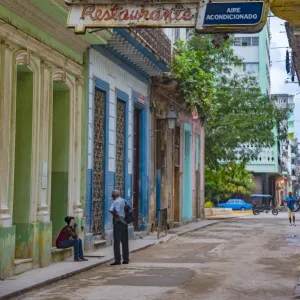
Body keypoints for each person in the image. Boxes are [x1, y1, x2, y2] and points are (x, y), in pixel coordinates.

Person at [109, 190, 129, 266]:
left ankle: (117, 260)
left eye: (112, 196)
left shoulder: (115, 202)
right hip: (124, 223)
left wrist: (116, 216)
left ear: (114, 196)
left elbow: (110, 210)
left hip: (117, 223)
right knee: (125, 242)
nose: (112, 197)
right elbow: (128, 209)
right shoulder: (124, 200)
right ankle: (126, 260)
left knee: (117, 242)